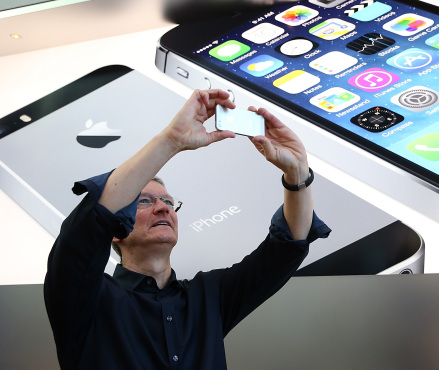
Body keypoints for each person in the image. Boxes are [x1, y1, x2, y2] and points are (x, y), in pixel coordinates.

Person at [44, 88, 330, 369]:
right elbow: (88, 225)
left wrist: (297, 172)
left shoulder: (208, 297)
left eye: (168, 201)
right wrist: (171, 141)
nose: (163, 208)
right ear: (116, 232)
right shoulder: (88, 297)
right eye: (144, 201)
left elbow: (286, 248)